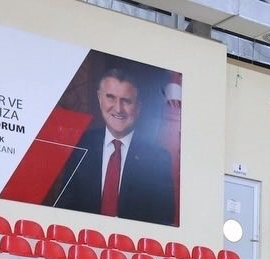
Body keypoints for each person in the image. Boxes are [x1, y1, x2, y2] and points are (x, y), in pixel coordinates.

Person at [48, 67, 176, 225]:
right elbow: (64, 208)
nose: (118, 108)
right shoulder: (81, 144)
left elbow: (163, 221)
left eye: (126, 101)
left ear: (138, 107)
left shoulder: (158, 158)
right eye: (110, 97)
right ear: (100, 98)